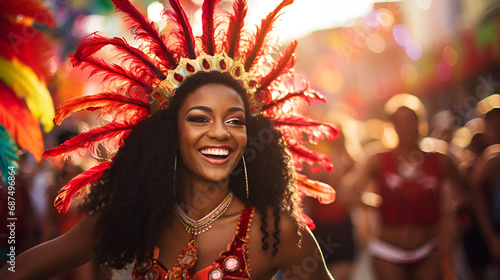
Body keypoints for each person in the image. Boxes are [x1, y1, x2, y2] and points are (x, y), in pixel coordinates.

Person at [0, 0, 338, 279]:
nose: (220, 132)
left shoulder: (278, 232)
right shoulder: (133, 216)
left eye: (234, 120)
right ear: (168, 134)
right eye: (200, 118)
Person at [350, 93, 472, 280]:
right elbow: (347, 192)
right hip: (387, 251)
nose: (405, 127)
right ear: (390, 126)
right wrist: (372, 204)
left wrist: (449, 213)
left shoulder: (438, 157)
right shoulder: (377, 158)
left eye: (410, 120)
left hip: (429, 248)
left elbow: (467, 189)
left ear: (420, 122)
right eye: (398, 122)